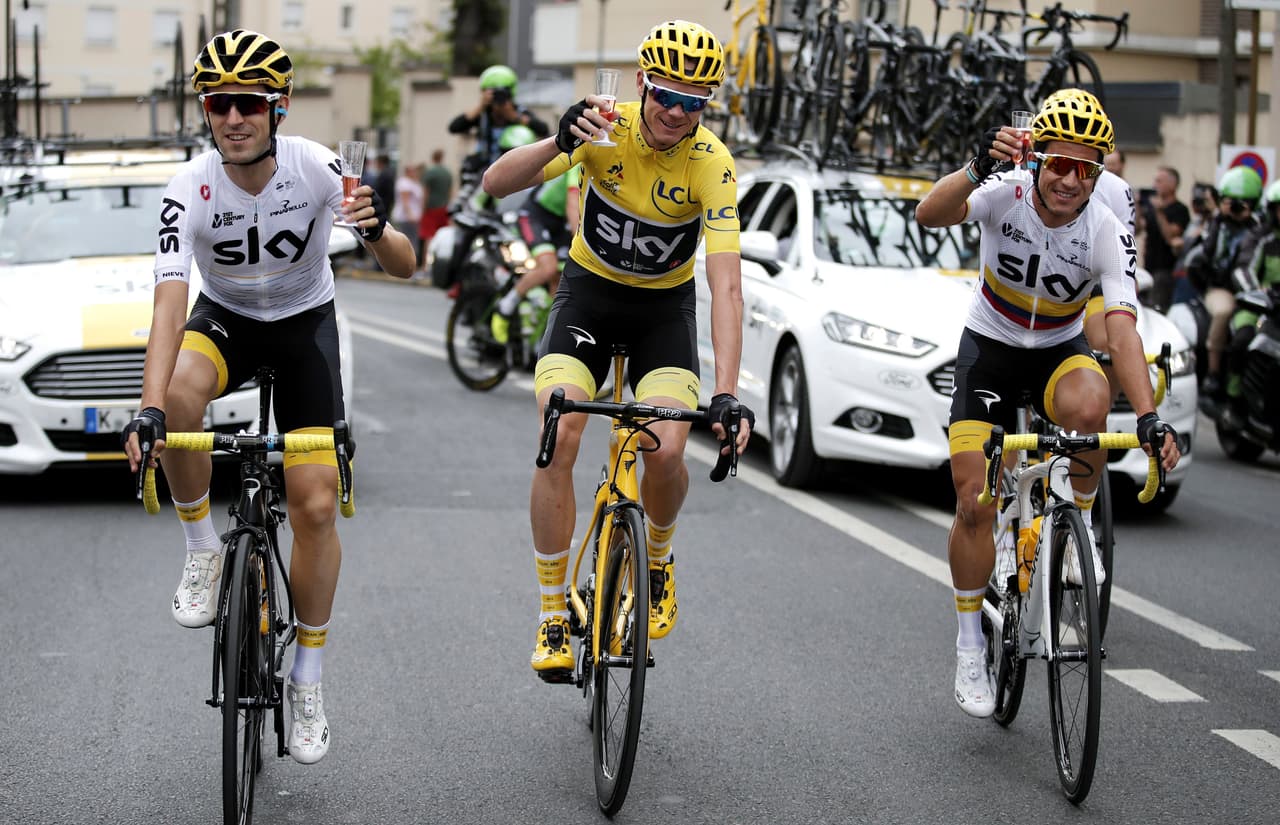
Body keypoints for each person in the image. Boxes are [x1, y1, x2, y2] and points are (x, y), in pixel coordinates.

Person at [121, 29, 416, 764]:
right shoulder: (187, 187)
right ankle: (202, 548)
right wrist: (148, 409)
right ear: (206, 111)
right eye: (218, 103)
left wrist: (378, 228)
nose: (233, 118)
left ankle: (307, 675)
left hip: (303, 325)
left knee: (314, 504)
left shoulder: (317, 167)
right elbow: (168, 307)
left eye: (249, 103)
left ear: (278, 107)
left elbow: (406, 265)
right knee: (178, 397)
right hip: (225, 320)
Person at [480, 19, 755, 679]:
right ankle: (552, 610)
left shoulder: (712, 163)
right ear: (641, 85)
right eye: (666, 95)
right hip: (589, 299)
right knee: (560, 427)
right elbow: (496, 183)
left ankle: (657, 557)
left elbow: (726, 284)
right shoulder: (603, 129)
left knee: (666, 447)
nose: (677, 112)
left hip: (663, 311)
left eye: (694, 102)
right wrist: (558, 138)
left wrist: (727, 392)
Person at [914, 88, 1180, 718]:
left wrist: (1149, 418)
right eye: (1058, 163)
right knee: (974, 499)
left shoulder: (1107, 227)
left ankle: (1076, 520)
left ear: (1098, 174)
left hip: (1058, 348)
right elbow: (930, 214)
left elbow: (1122, 331)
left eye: (1085, 169)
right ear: (1036, 159)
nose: (1069, 180)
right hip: (991, 348)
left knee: (1093, 403)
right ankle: (969, 642)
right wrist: (976, 166)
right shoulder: (1004, 190)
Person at [1182, 165, 1264, 401]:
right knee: (1223, 311)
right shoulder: (1217, 224)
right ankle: (1214, 372)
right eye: (1231, 201)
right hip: (1222, 288)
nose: (1236, 207)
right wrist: (1220, 218)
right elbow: (1204, 255)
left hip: (1255, 289)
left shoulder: (1261, 227)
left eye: (1243, 202)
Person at [489, 162, 581, 344]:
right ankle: (506, 306)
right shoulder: (580, 160)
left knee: (560, 279)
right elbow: (573, 204)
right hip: (535, 215)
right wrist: (581, 239)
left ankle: (543, 332)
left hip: (559, 222)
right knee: (548, 268)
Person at [1221, 178, 1280, 423]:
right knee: (1242, 340)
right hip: (1261, 306)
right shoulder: (1262, 237)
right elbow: (1243, 269)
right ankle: (1234, 401)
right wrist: (1256, 293)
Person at [448, 64, 550, 172]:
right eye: (492, 93)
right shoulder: (483, 115)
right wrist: (480, 107)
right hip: (485, 167)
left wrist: (514, 116)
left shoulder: (520, 112)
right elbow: (454, 127)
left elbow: (543, 129)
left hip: (512, 167)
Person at [1136, 165, 1191, 312]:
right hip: (1148, 267)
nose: (1155, 185)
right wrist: (1137, 206)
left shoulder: (1180, 210)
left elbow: (1170, 236)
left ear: (1172, 185)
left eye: (1159, 181)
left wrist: (1160, 212)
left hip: (1166, 271)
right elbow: (1137, 229)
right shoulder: (1152, 208)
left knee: (1157, 309)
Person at [418, 149, 453, 261]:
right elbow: (450, 192)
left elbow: (426, 193)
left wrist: (423, 209)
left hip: (431, 208)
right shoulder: (447, 173)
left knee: (429, 237)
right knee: (443, 237)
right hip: (444, 208)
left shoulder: (430, 172)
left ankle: (426, 264)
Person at [393, 161, 425, 251]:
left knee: (412, 240)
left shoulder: (414, 182)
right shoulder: (404, 183)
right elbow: (405, 201)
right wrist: (411, 215)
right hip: (406, 218)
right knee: (407, 241)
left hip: (414, 217)